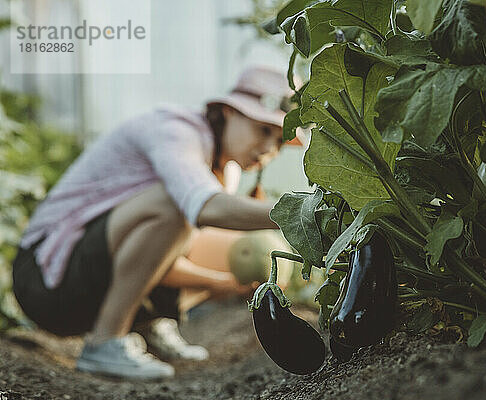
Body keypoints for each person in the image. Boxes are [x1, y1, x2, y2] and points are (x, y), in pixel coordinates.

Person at [11, 66, 294, 380]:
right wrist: (296, 212)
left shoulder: (226, 171)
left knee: (237, 255)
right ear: (228, 112)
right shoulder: (177, 131)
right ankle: (107, 341)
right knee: (176, 206)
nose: (270, 149)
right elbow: (203, 208)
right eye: (264, 130)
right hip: (44, 278)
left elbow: (163, 256)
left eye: (280, 140)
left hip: (89, 280)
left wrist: (229, 281)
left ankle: (146, 326)